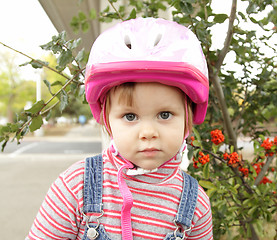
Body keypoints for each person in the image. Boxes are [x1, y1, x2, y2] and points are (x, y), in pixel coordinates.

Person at [26, 17, 213, 239]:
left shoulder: (195, 204)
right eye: (130, 116)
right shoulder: (76, 186)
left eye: (165, 115)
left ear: (188, 118)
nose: (148, 133)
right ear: (107, 120)